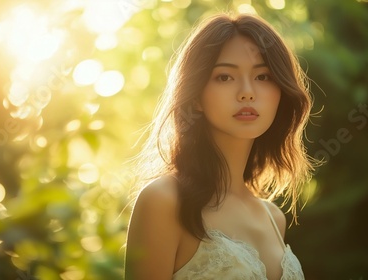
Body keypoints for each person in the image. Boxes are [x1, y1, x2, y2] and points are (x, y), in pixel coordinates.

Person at [124, 12, 317, 280]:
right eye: (225, 77)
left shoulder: (274, 217)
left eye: (263, 77)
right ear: (196, 97)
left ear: (281, 94)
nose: (247, 91)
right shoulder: (164, 200)